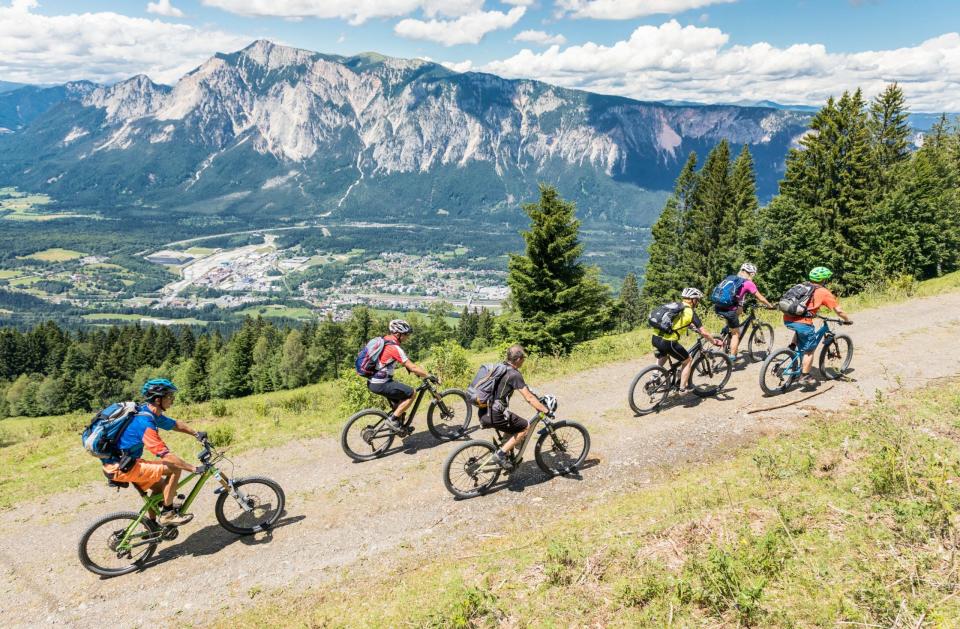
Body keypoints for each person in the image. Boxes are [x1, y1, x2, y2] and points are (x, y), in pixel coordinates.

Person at [102, 379, 207, 527]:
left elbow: (175, 425)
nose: (172, 399)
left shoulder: (148, 413)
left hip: (125, 463)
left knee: (159, 489)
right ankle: (167, 515)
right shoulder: (144, 423)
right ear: (158, 400)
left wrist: (196, 433)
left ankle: (151, 526)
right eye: (169, 396)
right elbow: (165, 454)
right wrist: (193, 469)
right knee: (174, 469)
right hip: (122, 467)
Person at [480, 344, 553, 471]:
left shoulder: (501, 367)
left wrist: (536, 397)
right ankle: (501, 455)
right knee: (525, 427)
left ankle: (506, 453)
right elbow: (528, 398)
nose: (524, 360)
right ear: (518, 359)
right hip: (496, 414)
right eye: (523, 357)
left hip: (484, 410)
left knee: (511, 424)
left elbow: (526, 389)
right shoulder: (514, 374)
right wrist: (545, 410)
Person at [783, 266, 852, 387]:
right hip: (802, 322)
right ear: (824, 280)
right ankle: (804, 376)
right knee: (809, 350)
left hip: (788, 319)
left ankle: (792, 348)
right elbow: (839, 311)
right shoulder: (823, 292)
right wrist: (847, 320)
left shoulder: (803, 286)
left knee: (801, 331)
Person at [651, 287, 723, 392]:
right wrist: (714, 341)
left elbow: (677, 322)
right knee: (687, 360)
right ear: (692, 300)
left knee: (664, 354)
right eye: (697, 300)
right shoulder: (690, 312)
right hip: (668, 342)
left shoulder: (676, 307)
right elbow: (704, 332)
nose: (697, 302)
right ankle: (682, 389)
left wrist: (692, 327)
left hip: (655, 338)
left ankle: (654, 376)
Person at [368, 319, 432, 435]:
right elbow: (412, 366)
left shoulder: (384, 340)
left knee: (401, 403)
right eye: (406, 334)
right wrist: (428, 375)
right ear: (398, 334)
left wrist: (414, 370)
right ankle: (393, 420)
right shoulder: (394, 348)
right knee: (411, 393)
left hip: (374, 381)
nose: (407, 337)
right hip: (382, 383)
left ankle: (400, 426)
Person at [714, 262, 774, 361]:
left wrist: (740, 305)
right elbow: (761, 298)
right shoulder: (748, 283)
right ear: (752, 273)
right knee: (735, 333)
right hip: (729, 309)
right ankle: (732, 358)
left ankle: (726, 332)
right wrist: (770, 306)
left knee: (736, 315)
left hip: (718, 306)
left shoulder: (731, 278)